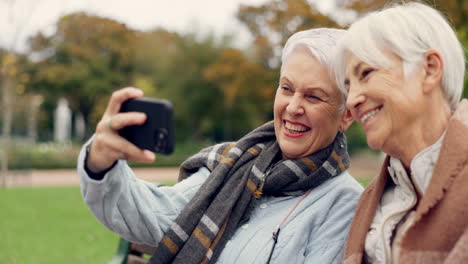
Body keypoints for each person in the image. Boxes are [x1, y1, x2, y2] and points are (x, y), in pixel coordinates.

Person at [78, 28, 363, 264]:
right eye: (287, 88)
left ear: (347, 114)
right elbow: (153, 215)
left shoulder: (345, 203)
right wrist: (101, 162)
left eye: (313, 97)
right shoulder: (232, 162)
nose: (293, 107)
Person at [333, 2, 468, 264]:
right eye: (348, 86)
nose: (351, 100)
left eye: (367, 73)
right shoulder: (368, 202)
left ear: (429, 69)